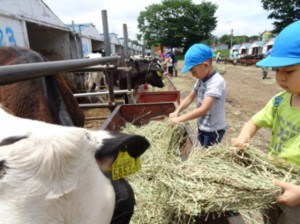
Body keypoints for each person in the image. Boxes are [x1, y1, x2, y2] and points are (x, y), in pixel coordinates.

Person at [233, 20, 300, 224]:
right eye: (276, 71)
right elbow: (253, 121)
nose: (280, 78)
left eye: (288, 71)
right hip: (273, 179)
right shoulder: (280, 100)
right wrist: (244, 136)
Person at [169, 43, 227, 148]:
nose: (192, 75)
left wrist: (179, 119)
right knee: (200, 149)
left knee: (207, 157)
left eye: (193, 71)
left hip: (213, 130)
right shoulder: (201, 80)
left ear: (205, 65)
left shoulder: (216, 82)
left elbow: (203, 109)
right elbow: (190, 97)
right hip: (203, 125)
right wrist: (177, 111)